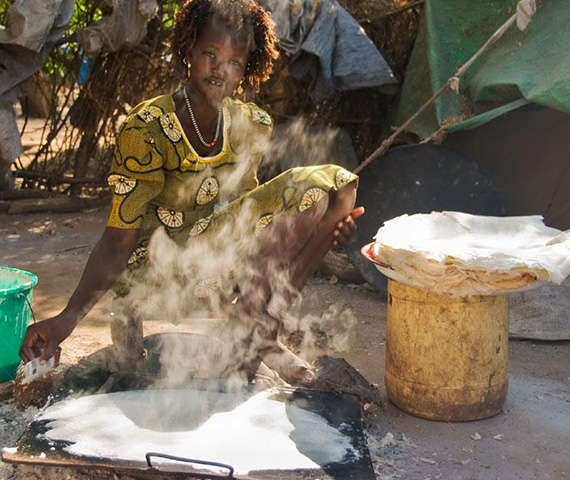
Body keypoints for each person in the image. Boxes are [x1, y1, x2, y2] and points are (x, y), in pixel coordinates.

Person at [19, 0, 364, 384]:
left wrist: (324, 229)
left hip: (211, 263)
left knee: (335, 190)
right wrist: (70, 316)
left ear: (246, 69)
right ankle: (245, 336)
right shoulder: (148, 127)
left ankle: (261, 330)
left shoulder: (249, 124)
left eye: (234, 61)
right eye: (210, 54)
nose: (220, 69)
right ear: (188, 52)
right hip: (153, 270)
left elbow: (255, 217)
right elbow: (119, 237)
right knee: (317, 185)